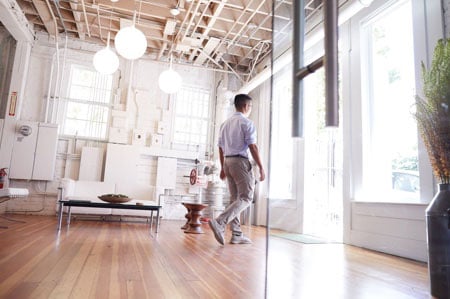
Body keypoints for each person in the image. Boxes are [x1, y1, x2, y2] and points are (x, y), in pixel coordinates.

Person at [209, 94, 265, 245]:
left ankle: (237, 234)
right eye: (250, 107)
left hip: (228, 161)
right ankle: (220, 222)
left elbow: (220, 148)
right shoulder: (246, 123)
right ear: (246, 106)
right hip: (240, 162)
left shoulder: (225, 124)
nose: (250, 109)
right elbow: (253, 146)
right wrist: (261, 167)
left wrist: (222, 167)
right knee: (246, 197)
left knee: (235, 199)